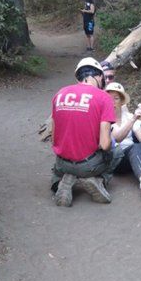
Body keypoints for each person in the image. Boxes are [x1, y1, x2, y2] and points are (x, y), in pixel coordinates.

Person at [50, 57, 122, 207]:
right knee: (117, 151)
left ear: (79, 76)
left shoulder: (59, 94)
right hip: (87, 165)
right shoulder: (104, 98)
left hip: (62, 162)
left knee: (58, 170)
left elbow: (54, 139)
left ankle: (62, 180)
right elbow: (104, 144)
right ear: (99, 76)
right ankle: (99, 180)